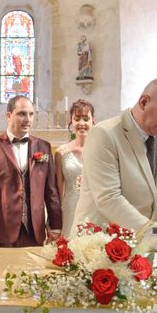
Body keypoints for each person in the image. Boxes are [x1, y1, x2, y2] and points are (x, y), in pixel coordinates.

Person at [71, 77, 157, 253]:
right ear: (144, 102)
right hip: (100, 247)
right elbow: (109, 199)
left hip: (141, 248)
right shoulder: (105, 134)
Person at [0, 95, 62, 247]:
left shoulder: (44, 147)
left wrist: (55, 226)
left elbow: (51, 192)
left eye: (31, 114)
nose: (28, 119)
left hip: (35, 231)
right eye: (22, 113)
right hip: (3, 229)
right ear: (9, 116)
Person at [55, 99, 96, 237]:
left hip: (94, 208)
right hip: (70, 209)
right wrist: (55, 221)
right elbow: (58, 191)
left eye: (86, 119)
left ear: (93, 121)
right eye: (77, 119)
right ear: (71, 121)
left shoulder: (102, 151)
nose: (82, 123)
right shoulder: (61, 153)